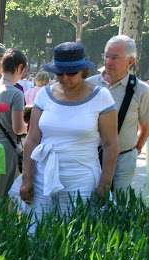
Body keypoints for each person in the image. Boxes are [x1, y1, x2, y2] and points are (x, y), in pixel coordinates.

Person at [10, 42, 119, 228]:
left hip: (82, 182)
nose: (65, 78)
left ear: (83, 71)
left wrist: (105, 183)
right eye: (60, 73)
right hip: (43, 180)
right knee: (38, 233)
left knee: (76, 235)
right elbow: (32, 140)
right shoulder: (44, 94)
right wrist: (27, 179)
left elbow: (110, 143)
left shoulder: (101, 96)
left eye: (71, 73)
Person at [87, 35, 149, 198]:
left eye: (115, 58)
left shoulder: (141, 91)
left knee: (118, 205)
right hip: (90, 157)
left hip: (123, 160)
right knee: (86, 204)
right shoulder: (89, 85)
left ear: (130, 61)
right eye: (106, 56)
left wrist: (134, 150)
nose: (108, 62)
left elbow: (145, 127)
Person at [0, 48, 28, 197]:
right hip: (7, 149)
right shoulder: (16, 94)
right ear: (19, 67)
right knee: (3, 196)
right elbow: (17, 128)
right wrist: (28, 128)